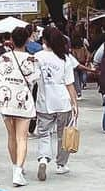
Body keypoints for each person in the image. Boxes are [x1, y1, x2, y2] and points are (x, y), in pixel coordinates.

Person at [0, 25, 40, 187]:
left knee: (11, 136)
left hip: (7, 101)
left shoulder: (3, 58)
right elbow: (35, 79)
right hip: (24, 101)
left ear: (11, 40)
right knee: (22, 137)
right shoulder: (31, 59)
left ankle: (15, 167)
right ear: (27, 39)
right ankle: (19, 171)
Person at [34, 24, 79, 180]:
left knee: (44, 134)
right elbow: (69, 83)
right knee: (63, 135)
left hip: (44, 101)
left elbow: (32, 79)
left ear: (44, 40)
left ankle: (43, 159)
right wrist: (75, 104)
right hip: (63, 101)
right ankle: (61, 165)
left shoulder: (37, 57)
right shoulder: (65, 58)